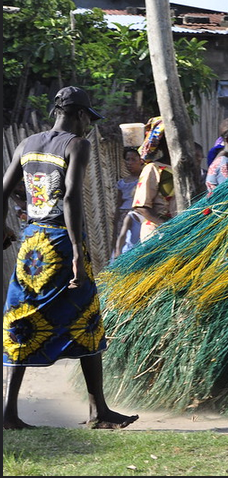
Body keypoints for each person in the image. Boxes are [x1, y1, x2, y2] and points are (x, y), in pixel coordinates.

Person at [2, 85, 139, 429]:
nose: (88, 126)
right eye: (87, 119)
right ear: (79, 115)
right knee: (87, 319)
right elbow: (71, 197)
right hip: (62, 244)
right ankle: (98, 412)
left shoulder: (26, 145)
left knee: (22, 320)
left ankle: (8, 413)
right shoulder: (77, 144)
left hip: (33, 245)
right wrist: (78, 251)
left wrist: (5, 228)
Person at [132, 116, 177, 241]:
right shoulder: (153, 169)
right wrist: (166, 226)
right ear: (163, 143)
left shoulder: (183, 169)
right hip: (158, 235)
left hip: (179, 233)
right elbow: (141, 206)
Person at [110, 147, 143, 262]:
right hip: (123, 215)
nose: (130, 163)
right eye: (127, 159)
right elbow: (119, 203)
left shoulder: (144, 178)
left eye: (133, 159)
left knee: (135, 242)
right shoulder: (122, 182)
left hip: (138, 215)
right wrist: (116, 219)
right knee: (122, 240)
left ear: (141, 160)